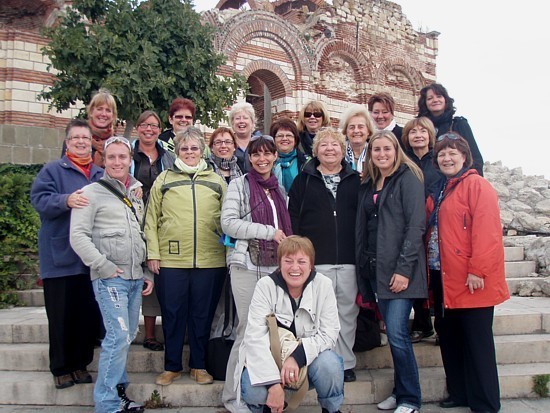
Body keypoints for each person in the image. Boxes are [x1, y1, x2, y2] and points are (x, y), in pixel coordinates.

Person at [427, 133, 509, 413]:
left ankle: (485, 402)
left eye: (452, 153)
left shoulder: (477, 185)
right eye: (441, 154)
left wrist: (477, 270)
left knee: (477, 344)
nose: (447, 158)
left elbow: (487, 233)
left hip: (471, 279)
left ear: (464, 156)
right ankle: (459, 392)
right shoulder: (442, 188)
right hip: (444, 277)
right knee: (450, 338)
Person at [70, 136, 154, 413]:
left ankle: (119, 394)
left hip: (133, 278)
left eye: (123, 157)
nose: (118, 162)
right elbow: (78, 237)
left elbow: (139, 235)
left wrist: (145, 272)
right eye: (112, 157)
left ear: (130, 160)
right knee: (117, 336)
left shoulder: (135, 193)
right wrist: (102, 266)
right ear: (103, 161)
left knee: (126, 336)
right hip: (110, 279)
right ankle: (106, 404)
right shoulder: (90, 193)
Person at [144, 127, 227, 387]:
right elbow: (151, 219)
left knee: (202, 315)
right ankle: (172, 366)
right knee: (172, 314)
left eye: (194, 148)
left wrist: (228, 255)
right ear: (177, 151)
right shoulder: (164, 179)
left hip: (210, 261)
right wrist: (153, 254)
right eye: (184, 148)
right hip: (170, 261)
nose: (189, 152)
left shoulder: (216, 180)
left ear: (202, 150)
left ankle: (199, 365)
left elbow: (228, 219)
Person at [355, 131, 427, 413]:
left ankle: (411, 398)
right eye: (376, 150)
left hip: (400, 271)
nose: (382, 154)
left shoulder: (409, 178)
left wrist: (404, 270)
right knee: (393, 332)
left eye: (387, 149)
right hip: (377, 270)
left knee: (397, 333)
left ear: (397, 151)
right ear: (370, 154)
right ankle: (399, 392)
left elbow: (415, 226)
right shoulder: (370, 182)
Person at [221, 135, 293, 413]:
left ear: (275, 156)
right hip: (246, 266)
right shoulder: (239, 185)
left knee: (269, 332)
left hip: (274, 268)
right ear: (249, 158)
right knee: (247, 330)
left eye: (267, 153)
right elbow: (228, 224)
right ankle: (232, 397)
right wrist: (267, 232)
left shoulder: (279, 189)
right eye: (256, 154)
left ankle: (263, 390)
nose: (262, 159)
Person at [30, 119, 104, 390]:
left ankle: (80, 364)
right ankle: (61, 368)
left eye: (86, 138)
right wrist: (65, 200)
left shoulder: (98, 174)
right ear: (67, 141)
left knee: (85, 316)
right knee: (61, 317)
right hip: (60, 258)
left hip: (89, 260)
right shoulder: (53, 170)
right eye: (76, 138)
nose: (82, 142)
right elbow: (39, 200)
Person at [238, 236, 344, 413]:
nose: (295, 268)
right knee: (252, 389)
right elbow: (255, 337)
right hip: (271, 361)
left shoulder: (323, 285)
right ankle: (267, 408)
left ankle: (331, 410)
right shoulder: (265, 286)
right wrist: (273, 385)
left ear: (311, 265)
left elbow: (329, 333)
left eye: (302, 261)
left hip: (307, 364)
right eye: (288, 261)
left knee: (330, 365)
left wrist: (297, 357)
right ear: (279, 263)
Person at [288, 128, 360, 383]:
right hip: (317, 260)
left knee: (347, 312)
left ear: (343, 150)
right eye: (324, 145)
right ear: (315, 151)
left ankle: (346, 362)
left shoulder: (356, 179)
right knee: (320, 314)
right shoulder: (304, 180)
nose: (330, 149)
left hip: (349, 258)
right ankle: (324, 360)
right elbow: (293, 217)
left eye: (335, 145)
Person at [132, 110, 176, 352]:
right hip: (134, 219)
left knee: (161, 273)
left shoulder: (167, 156)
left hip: (161, 220)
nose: (149, 129)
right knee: (146, 272)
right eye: (144, 125)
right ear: (138, 128)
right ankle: (148, 333)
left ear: (160, 130)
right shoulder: (129, 154)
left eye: (154, 126)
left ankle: (170, 330)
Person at [401, 117, 444, 343]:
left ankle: (441, 325)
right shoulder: (404, 162)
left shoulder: (437, 162)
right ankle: (422, 323)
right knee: (417, 274)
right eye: (413, 132)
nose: (418, 135)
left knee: (436, 277)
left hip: (433, 226)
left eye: (422, 132)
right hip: (410, 225)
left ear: (430, 136)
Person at [417, 83, 484, 175]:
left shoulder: (459, 124)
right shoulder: (420, 129)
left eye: (439, 96)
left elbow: (475, 158)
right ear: (425, 103)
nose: (435, 100)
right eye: (430, 98)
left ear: (445, 100)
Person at [60, 89, 117, 167]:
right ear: (91, 112)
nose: (103, 114)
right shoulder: (75, 140)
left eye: (108, 110)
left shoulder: (117, 143)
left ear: (113, 115)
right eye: (99, 109)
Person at [271, 117, 309, 193]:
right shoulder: (268, 161)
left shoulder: (307, 162)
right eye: (280, 135)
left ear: (295, 140)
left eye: (289, 135)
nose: (284, 138)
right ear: (273, 140)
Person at [339, 104, 375, 174]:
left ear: (368, 131)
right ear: (346, 131)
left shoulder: (375, 153)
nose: (356, 131)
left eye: (360, 127)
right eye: (352, 127)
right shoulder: (339, 153)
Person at [229, 102, 257, 173]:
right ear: (232, 123)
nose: (241, 121)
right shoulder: (227, 144)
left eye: (245, 118)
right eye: (238, 118)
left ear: (252, 122)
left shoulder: (259, 143)